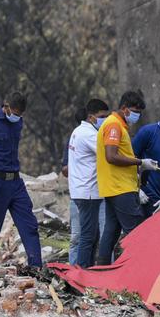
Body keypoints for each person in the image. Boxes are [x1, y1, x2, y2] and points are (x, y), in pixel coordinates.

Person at [0, 92, 42, 267]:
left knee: (29, 226)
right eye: (15, 113)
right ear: (6, 107)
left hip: (16, 182)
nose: (17, 117)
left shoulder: (18, 122)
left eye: (20, 115)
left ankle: (37, 268)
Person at [95, 90, 158, 265]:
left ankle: (102, 268)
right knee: (137, 232)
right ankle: (140, 268)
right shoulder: (113, 125)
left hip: (115, 187)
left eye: (139, 112)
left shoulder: (118, 125)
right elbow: (111, 156)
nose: (137, 115)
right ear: (124, 108)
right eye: (135, 111)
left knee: (111, 231)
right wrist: (140, 162)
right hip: (120, 187)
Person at [67, 98, 109, 268]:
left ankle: (87, 270)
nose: (105, 119)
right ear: (91, 117)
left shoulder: (78, 131)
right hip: (88, 192)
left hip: (82, 190)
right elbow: (108, 154)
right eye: (102, 116)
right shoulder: (89, 135)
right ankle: (82, 271)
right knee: (88, 236)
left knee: (92, 235)